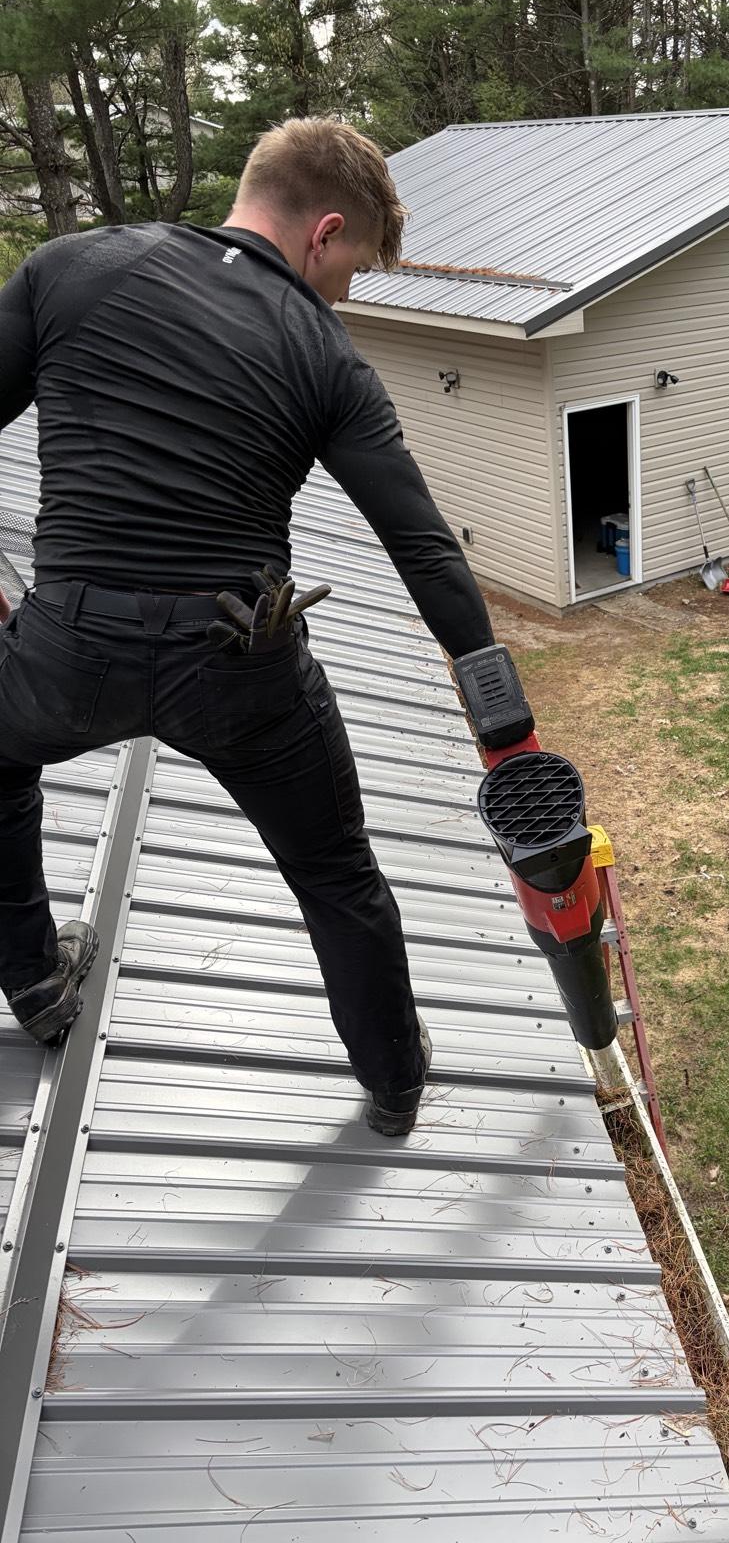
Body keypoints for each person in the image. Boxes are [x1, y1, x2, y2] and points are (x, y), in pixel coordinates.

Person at [0, 117, 506, 1137]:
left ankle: (37, 983)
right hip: (239, 667)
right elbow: (424, 548)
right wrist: (508, 729)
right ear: (324, 231)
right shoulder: (325, 355)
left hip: (66, 648)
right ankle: (397, 1081)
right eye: (353, 267)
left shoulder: (66, 271)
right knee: (336, 873)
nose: (344, 295)